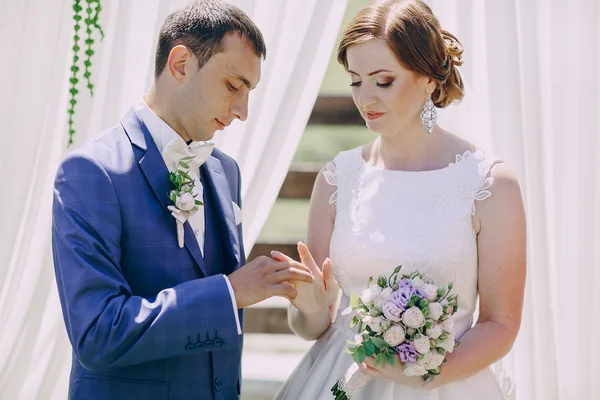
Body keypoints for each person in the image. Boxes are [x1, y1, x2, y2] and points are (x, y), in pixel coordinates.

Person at [51, 1, 315, 399]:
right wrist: (229, 295)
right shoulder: (91, 172)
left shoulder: (226, 171)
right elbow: (98, 334)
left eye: (249, 92)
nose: (243, 111)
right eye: (233, 85)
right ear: (180, 64)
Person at [274, 0, 527, 398]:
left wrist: (425, 377)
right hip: (342, 382)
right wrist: (307, 308)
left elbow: (501, 323)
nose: (365, 99)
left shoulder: (490, 185)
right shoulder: (336, 179)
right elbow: (315, 325)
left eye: (383, 81)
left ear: (428, 78)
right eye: (356, 81)